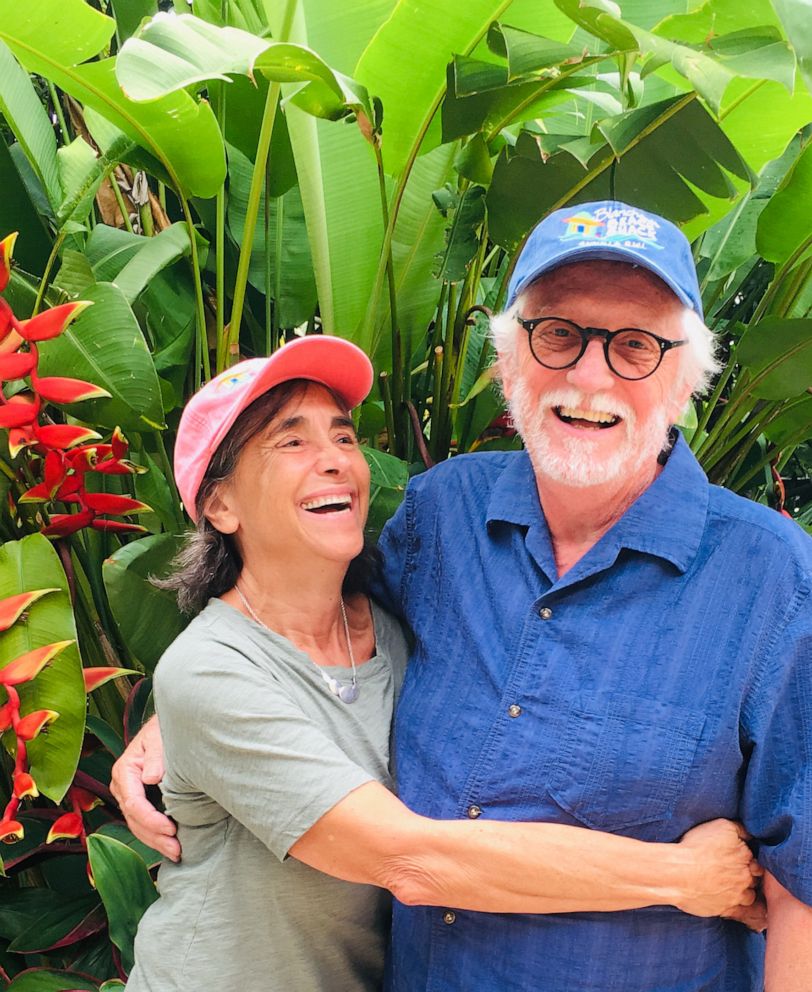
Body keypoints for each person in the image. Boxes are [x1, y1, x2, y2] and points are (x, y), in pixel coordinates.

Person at [114, 204, 790, 992]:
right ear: (511, 362)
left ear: (684, 379)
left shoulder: (770, 575)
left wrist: (180, 723)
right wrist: (681, 876)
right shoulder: (443, 520)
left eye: (341, 434)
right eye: (559, 335)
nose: (592, 373)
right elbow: (411, 858)